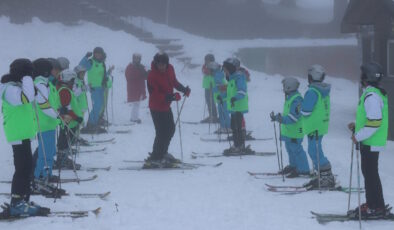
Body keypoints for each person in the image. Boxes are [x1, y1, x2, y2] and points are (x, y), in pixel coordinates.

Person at [0, 58, 49, 216]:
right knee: (22, 168)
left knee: (27, 167)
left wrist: (29, 82)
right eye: (29, 73)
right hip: (17, 134)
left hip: (24, 133)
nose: (31, 75)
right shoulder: (8, 89)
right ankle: (17, 202)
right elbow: (26, 98)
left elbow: (32, 97)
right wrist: (27, 79)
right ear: (22, 73)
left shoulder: (16, 86)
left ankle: (23, 199)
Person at [348, 62, 389, 219]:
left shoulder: (371, 96)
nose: (360, 78)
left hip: (370, 142)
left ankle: (375, 206)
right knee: (370, 173)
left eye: (362, 75)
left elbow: (374, 122)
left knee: (370, 174)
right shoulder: (374, 93)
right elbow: (370, 119)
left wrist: (357, 136)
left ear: (366, 78)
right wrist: (356, 126)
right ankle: (374, 204)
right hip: (371, 141)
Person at [144, 52, 190, 168]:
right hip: (156, 107)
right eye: (159, 64)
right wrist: (171, 97)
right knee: (161, 132)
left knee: (170, 129)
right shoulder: (152, 76)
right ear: (156, 63)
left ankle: (162, 153)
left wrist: (183, 89)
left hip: (165, 106)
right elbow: (154, 95)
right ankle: (155, 157)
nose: (162, 67)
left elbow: (173, 81)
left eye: (164, 64)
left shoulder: (170, 69)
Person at [301, 65, 335, 188]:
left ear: (311, 77)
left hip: (313, 126)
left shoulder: (312, 92)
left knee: (313, 150)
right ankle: (321, 175)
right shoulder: (323, 90)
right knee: (315, 149)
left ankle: (327, 176)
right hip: (320, 126)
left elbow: (306, 111)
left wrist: (300, 107)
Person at [270, 77, 310, 178]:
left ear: (289, 87)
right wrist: (277, 117)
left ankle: (304, 170)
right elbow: (287, 114)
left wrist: (281, 119)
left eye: (284, 86)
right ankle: (294, 166)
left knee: (296, 149)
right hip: (289, 131)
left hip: (295, 131)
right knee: (289, 148)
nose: (283, 88)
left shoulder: (297, 100)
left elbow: (293, 118)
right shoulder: (290, 98)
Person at [32, 58, 60, 183]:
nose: (52, 72)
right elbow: (43, 105)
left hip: (49, 123)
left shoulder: (46, 83)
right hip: (44, 123)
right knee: (45, 153)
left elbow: (51, 102)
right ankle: (39, 175)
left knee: (50, 151)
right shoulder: (40, 84)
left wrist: (58, 112)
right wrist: (57, 115)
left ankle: (47, 173)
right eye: (49, 70)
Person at [53, 69, 83, 170]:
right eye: (72, 80)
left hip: (70, 121)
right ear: (68, 79)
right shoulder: (64, 91)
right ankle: (62, 160)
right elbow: (67, 108)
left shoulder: (66, 89)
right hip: (69, 121)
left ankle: (63, 159)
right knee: (65, 140)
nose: (73, 82)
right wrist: (77, 118)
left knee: (66, 140)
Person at [79, 47, 112, 133]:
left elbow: (103, 75)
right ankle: (91, 124)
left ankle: (95, 122)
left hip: (101, 87)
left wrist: (107, 77)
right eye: (96, 53)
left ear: (102, 54)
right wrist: (85, 57)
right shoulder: (91, 62)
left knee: (100, 106)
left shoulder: (102, 63)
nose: (97, 55)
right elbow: (80, 66)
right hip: (94, 87)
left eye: (99, 53)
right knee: (97, 105)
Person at [222, 58, 249, 155]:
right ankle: (236, 144)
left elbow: (242, 91)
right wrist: (222, 97)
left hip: (239, 106)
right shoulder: (232, 79)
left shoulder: (239, 78)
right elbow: (229, 93)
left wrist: (235, 98)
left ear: (231, 69)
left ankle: (240, 145)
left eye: (226, 71)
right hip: (233, 107)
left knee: (237, 126)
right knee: (233, 126)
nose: (225, 73)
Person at [208, 61, 230, 134]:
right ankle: (223, 126)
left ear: (213, 69)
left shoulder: (217, 75)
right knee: (222, 112)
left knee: (224, 112)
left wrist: (213, 89)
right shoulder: (218, 74)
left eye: (210, 70)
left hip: (223, 97)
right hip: (221, 97)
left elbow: (220, 87)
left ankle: (227, 127)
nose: (209, 71)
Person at [125, 53, 148, 123]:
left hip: (140, 88)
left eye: (138, 58)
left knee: (137, 103)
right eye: (136, 58)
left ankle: (134, 117)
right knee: (136, 103)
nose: (137, 59)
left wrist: (147, 73)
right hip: (133, 88)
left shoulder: (141, 66)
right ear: (133, 58)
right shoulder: (130, 67)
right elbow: (128, 77)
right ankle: (134, 118)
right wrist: (140, 74)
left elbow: (145, 76)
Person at [201, 53, 218, 123]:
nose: (205, 61)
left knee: (211, 101)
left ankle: (214, 116)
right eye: (205, 60)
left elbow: (214, 74)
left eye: (207, 60)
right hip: (207, 86)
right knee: (208, 100)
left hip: (212, 86)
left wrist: (210, 71)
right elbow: (203, 71)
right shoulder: (205, 66)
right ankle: (211, 115)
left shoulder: (214, 67)